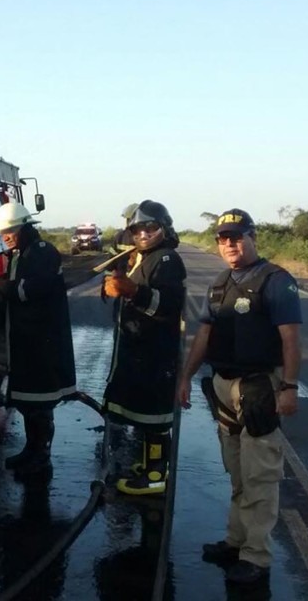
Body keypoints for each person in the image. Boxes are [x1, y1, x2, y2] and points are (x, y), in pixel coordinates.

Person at [176, 208, 302, 585]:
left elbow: (291, 339)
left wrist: (290, 387)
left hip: (259, 387)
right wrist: (185, 377)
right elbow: (204, 336)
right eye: (223, 238)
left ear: (252, 237)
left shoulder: (276, 281)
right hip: (223, 385)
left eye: (236, 236)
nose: (229, 244)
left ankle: (256, 556)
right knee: (237, 471)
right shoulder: (220, 283)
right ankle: (236, 542)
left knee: (259, 474)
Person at [0, 202, 77, 480]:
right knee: (28, 400)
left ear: (24, 227)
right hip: (27, 341)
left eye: (9, 231)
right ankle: (31, 449)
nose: (6, 237)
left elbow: (37, 288)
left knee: (40, 403)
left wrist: (3, 287)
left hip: (42, 342)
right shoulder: (20, 255)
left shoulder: (42, 252)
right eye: (3, 233)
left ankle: (42, 457)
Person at [102, 200, 187, 495]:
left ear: (164, 228)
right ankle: (149, 466)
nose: (144, 234)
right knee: (142, 411)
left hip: (156, 352)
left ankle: (155, 475)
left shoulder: (165, 260)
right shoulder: (142, 257)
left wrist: (132, 291)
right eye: (138, 229)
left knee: (155, 418)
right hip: (138, 349)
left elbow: (168, 305)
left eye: (151, 228)